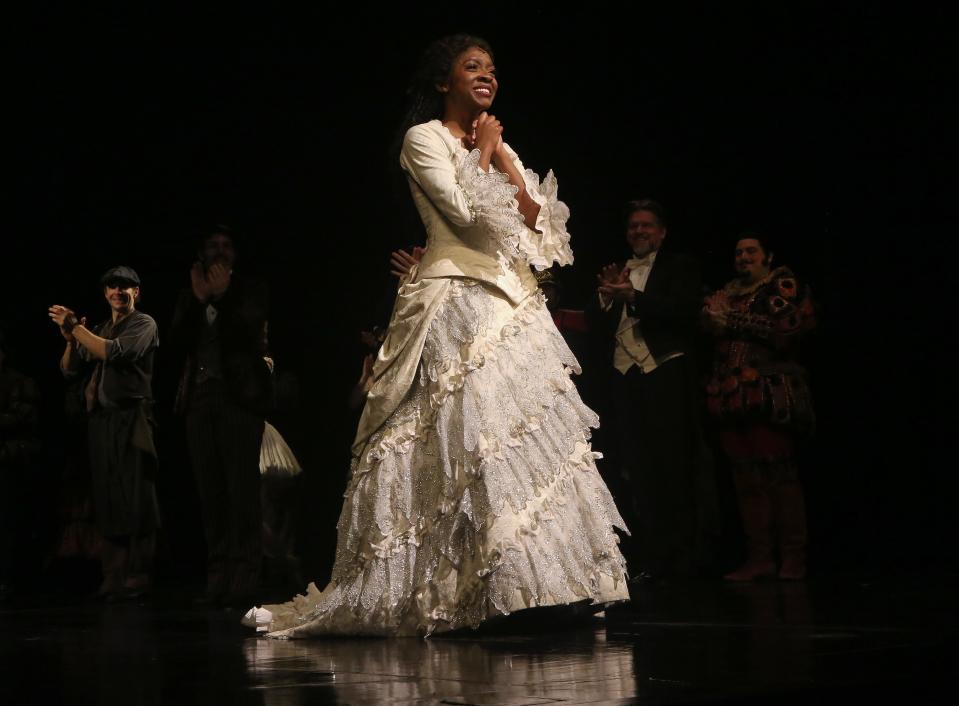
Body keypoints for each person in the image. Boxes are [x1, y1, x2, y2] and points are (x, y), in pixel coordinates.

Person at [244, 34, 628, 638]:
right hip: (457, 299)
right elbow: (464, 215)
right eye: (473, 66)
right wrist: (487, 156)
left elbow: (542, 235)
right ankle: (474, 586)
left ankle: (551, 583)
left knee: (524, 438)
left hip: (512, 303)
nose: (487, 76)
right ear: (444, 81)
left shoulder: (499, 147)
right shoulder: (423, 139)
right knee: (471, 438)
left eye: (492, 69)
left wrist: (502, 160)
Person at [589, 200, 718, 581]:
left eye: (646, 226)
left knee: (673, 466)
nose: (639, 232)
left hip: (664, 373)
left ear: (661, 232)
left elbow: (682, 311)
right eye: (633, 227)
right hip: (625, 377)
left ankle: (685, 557)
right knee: (636, 469)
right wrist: (608, 296)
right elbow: (597, 325)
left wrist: (636, 298)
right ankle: (651, 557)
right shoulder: (620, 270)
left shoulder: (680, 266)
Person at [169, 226, 271, 608]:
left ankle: (245, 576)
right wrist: (198, 301)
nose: (220, 251)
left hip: (238, 400)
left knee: (241, 491)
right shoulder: (188, 294)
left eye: (227, 245)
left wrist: (223, 297)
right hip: (198, 400)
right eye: (213, 245)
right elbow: (176, 345)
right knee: (210, 492)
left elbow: (248, 336)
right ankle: (218, 575)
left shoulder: (250, 290)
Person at [703, 234, 815, 580]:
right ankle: (761, 557)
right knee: (746, 479)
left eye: (751, 251)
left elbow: (787, 329)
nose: (743, 257)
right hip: (733, 397)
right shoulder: (728, 292)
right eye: (738, 252)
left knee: (779, 475)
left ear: (768, 255)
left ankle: (793, 557)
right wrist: (711, 320)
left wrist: (729, 320)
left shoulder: (781, 286)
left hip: (769, 395)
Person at [49, 266, 161, 600]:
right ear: (105, 293)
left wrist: (75, 329)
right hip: (102, 422)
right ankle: (113, 575)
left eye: (126, 287)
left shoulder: (143, 324)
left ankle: (137, 573)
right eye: (113, 287)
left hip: (131, 419)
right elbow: (69, 368)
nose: (118, 291)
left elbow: (113, 352)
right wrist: (71, 340)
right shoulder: (98, 328)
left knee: (136, 496)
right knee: (108, 497)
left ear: (136, 293)